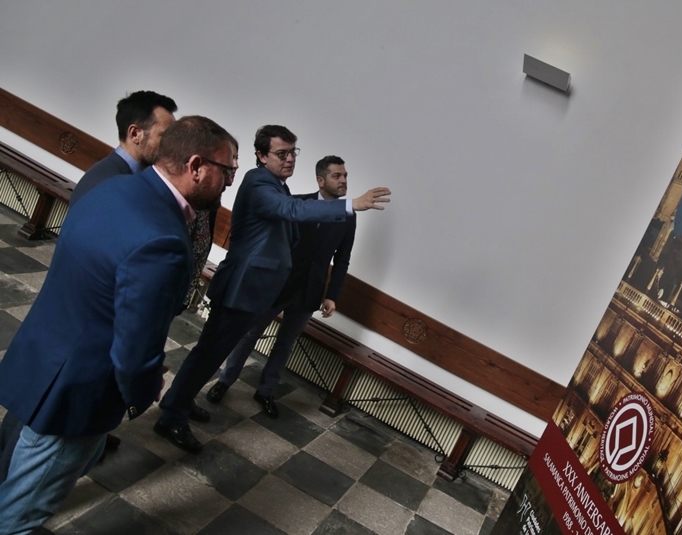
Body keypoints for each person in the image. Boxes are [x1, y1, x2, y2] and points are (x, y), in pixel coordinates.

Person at [0, 116, 238, 534]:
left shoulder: (112, 186)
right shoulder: (164, 239)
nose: (229, 182)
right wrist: (144, 390)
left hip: (41, 355)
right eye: (228, 170)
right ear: (196, 166)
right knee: (19, 518)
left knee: (22, 475)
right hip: (77, 391)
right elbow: (135, 347)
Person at [154, 125, 390, 453]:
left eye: (293, 153)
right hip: (242, 286)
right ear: (262, 156)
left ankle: (180, 401)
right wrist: (350, 205)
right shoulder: (258, 182)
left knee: (210, 354)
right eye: (282, 153)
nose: (290, 159)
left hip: (256, 288)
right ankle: (171, 417)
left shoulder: (278, 185)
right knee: (208, 353)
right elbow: (291, 210)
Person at [208, 155, 358, 417]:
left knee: (285, 344)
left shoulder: (348, 216)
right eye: (337, 175)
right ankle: (225, 380)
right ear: (320, 180)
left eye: (345, 175)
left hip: (310, 291)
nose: (343, 180)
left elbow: (342, 260)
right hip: (278, 284)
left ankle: (266, 391)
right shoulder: (297, 203)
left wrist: (332, 295)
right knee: (249, 334)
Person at [70, 90, 177, 205]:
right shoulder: (110, 183)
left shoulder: (117, 175)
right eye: (165, 136)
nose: (171, 144)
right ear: (135, 134)